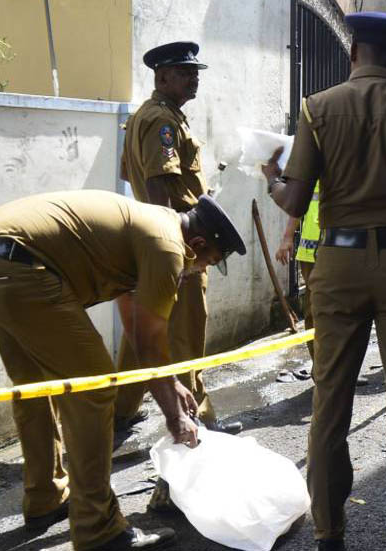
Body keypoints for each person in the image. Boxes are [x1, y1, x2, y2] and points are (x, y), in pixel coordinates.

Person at [264, 11, 386, 551]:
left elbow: (295, 198)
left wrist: (270, 181)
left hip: (336, 268)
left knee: (330, 401)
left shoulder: (318, 108)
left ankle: (330, 532)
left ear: (354, 53)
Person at [0, 190, 246, 550]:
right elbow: (149, 343)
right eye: (207, 262)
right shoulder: (169, 248)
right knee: (96, 388)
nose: (200, 271)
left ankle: (45, 496)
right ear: (197, 244)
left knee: (34, 385)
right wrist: (174, 415)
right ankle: (98, 529)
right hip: (19, 265)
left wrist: (169, 383)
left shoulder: (151, 226)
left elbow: (136, 324)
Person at [115, 41, 242, 437]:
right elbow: (157, 185)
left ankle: (118, 411)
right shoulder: (162, 122)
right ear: (162, 76)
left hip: (153, 239)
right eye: (186, 72)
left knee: (142, 330)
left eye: (196, 72)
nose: (194, 79)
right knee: (186, 334)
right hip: (182, 243)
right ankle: (200, 418)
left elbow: (127, 172)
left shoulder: (147, 116)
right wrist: (175, 248)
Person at [275, 181, 321, 360]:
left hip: (341, 252)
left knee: (343, 313)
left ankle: (340, 370)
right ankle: (319, 369)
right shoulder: (314, 164)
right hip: (311, 253)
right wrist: (287, 238)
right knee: (313, 313)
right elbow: (299, 204)